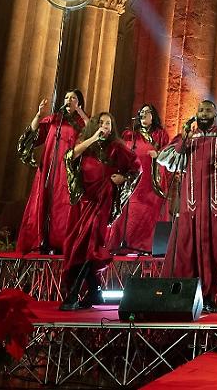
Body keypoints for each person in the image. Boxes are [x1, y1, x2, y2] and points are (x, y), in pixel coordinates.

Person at [156, 99, 217, 312]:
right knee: (185, 250)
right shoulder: (187, 138)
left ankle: (209, 296)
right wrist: (184, 139)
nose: (204, 113)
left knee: (214, 252)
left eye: (208, 110)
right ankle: (184, 295)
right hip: (190, 206)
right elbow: (167, 160)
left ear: (215, 113)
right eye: (200, 110)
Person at [60, 112, 139, 310]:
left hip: (102, 200)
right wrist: (93, 137)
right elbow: (70, 156)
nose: (106, 127)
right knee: (75, 245)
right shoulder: (86, 145)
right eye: (102, 123)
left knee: (91, 244)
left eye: (109, 124)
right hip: (83, 202)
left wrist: (124, 178)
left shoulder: (117, 148)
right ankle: (95, 292)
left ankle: (73, 295)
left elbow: (136, 167)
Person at [16, 90, 89, 254]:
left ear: (80, 103)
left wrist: (80, 112)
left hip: (68, 171)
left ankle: (61, 242)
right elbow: (33, 137)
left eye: (73, 98)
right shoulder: (54, 119)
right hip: (50, 167)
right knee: (45, 200)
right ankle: (41, 239)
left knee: (63, 207)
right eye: (66, 98)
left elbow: (92, 133)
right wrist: (38, 115)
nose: (68, 100)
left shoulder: (81, 121)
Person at [107, 104, 169, 254]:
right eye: (141, 112)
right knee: (130, 212)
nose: (144, 114)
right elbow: (121, 155)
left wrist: (158, 156)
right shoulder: (130, 135)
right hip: (133, 182)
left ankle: (147, 247)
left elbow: (167, 155)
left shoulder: (160, 134)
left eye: (147, 112)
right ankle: (123, 244)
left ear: (153, 116)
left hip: (151, 182)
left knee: (149, 215)